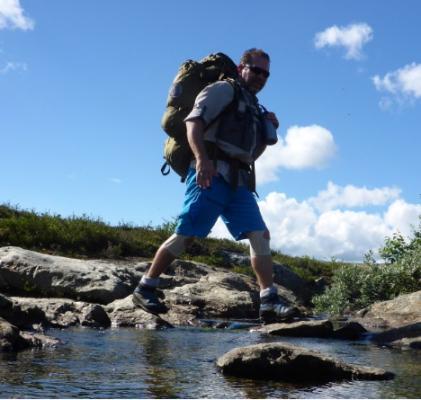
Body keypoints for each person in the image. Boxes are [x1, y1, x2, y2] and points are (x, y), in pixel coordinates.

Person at [133, 48, 296, 322]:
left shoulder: (253, 107)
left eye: (266, 74)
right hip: (210, 172)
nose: (261, 77)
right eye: (256, 70)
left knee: (260, 234)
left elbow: (250, 155)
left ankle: (269, 300)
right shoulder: (222, 90)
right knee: (187, 233)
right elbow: (193, 123)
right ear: (241, 68)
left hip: (238, 181)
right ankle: (145, 287)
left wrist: (266, 134)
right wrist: (201, 160)